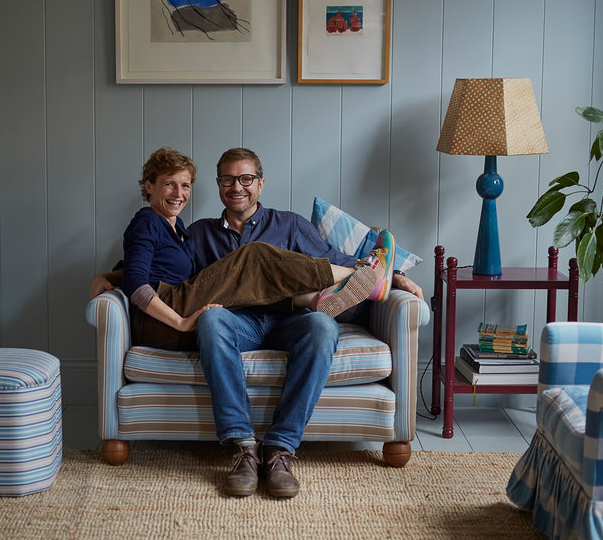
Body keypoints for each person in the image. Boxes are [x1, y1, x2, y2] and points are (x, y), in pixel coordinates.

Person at [91, 147, 424, 498]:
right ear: (218, 185)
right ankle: (243, 449)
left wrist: (398, 277)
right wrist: (114, 277)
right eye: (228, 179)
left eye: (246, 178)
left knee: (323, 325)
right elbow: (153, 267)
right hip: (236, 324)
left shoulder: (289, 224)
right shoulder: (199, 233)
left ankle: (280, 448)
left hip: (287, 323)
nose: (238, 186)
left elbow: (337, 259)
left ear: (260, 184)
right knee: (220, 306)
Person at [122, 147, 395, 351]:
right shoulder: (180, 228)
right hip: (206, 320)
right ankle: (363, 276)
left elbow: (141, 264)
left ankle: (347, 284)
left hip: (281, 321)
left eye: (184, 185)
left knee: (283, 289)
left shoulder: (180, 228)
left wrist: (399, 277)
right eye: (169, 184)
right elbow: (139, 275)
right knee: (255, 257)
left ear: (260, 184)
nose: (178, 193)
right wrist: (179, 322)